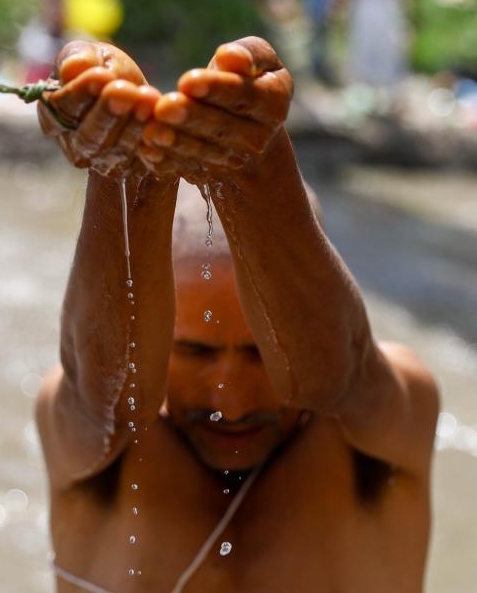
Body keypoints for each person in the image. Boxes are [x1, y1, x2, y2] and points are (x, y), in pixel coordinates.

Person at [34, 35, 440, 592]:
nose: (231, 399)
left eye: (259, 353)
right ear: (159, 332)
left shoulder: (376, 426)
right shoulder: (100, 440)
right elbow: (107, 392)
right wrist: (124, 172)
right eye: (196, 351)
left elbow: (334, 375)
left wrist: (257, 162)